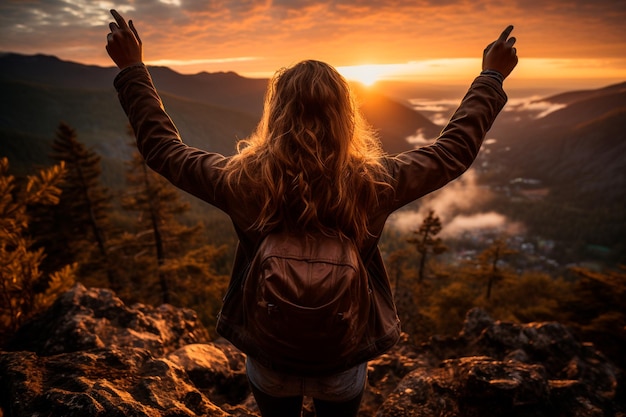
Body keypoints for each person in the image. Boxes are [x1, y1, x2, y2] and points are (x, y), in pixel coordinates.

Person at [106, 9, 518, 417]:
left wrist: (132, 69)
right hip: (343, 355)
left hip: (270, 355)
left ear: (277, 113)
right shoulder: (373, 183)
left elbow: (164, 150)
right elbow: (451, 152)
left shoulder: (242, 180)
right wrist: (490, 77)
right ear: (345, 116)